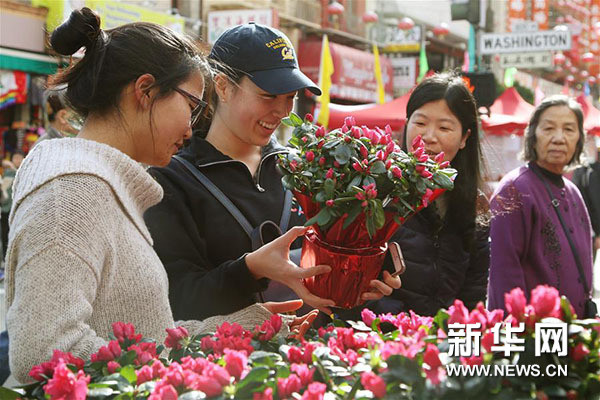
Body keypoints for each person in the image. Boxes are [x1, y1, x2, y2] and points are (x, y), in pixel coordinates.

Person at [4, 8, 317, 384]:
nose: (191, 127)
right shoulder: (69, 194)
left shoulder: (101, 184)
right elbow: (43, 351)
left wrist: (241, 328)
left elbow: (143, 331)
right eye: (191, 106)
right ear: (146, 91)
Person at [144, 23, 400, 322]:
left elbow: (324, 272)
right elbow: (175, 299)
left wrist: (360, 272)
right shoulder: (171, 179)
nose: (281, 111)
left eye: (290, 97)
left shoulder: (305, 170)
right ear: (223, 87)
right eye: (268, 96)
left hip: (313, 357)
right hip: (225, 364)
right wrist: (249, 270)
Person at [368, 72, 490, 317]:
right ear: (406, 125)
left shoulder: (474, 205)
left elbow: (473, 295)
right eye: (420, 123)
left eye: (444, 127)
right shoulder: (377, 192)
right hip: (379, 336)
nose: (429, 137)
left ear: (465, 137)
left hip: (442, 344)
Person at [488, 95, 593, 317]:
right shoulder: (514, 189)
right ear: (533, 135)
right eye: (548, 128)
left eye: (568, 129)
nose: (558, 138)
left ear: (579, 139)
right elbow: (503, 273)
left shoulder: (573, 191)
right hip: (532, 341)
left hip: (573, 337)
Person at [572, 145, 600, 258]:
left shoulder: (581, 170)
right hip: (589, 230)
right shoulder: (591, 172)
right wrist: (598, 233)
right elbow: (595, 204)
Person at [1, 152, 24, 260]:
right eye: (15, 158)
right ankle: (5, 259)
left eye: (19, 158)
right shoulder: (8, 172)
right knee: (5, 234)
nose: (17, 160)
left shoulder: (25, 171)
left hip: (18, 208)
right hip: (6, 207)